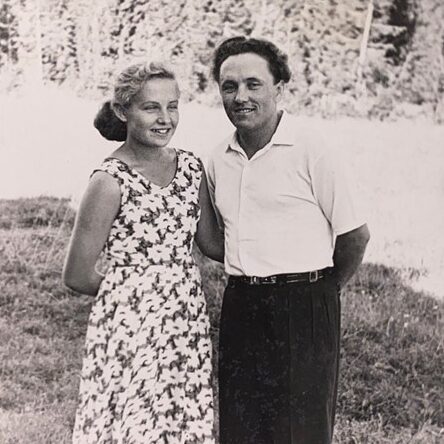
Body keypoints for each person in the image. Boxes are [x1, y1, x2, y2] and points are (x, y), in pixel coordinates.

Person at [207, 36, 370, 444]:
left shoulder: (312, 147)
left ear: (279, 87)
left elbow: (355, 235)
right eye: (229, 86)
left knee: (300, 431)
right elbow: (221, 238)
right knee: (241, 428)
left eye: (253, 84)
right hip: (241, 305)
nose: (240, 97)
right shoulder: (218, 158)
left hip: (304, 307)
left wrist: (322, 291)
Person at [63, 61, 222, 444]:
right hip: (129, 327)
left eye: (173, 106)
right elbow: (77, 274)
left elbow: (212, 244)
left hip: (184, 324)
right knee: (132, 425)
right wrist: (134, 293)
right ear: (123, 111)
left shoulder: (190, 168)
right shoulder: (109, 181)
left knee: (179, 421)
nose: (165, 118)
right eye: (151, 107)